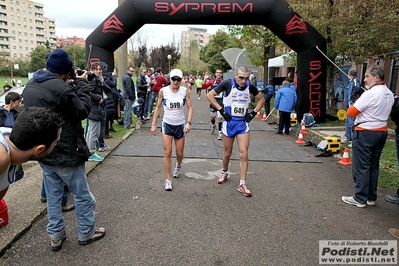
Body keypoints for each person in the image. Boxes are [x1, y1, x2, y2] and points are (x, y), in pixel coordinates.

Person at [22, 48, 105, 251]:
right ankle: (86, 231)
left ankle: (56, 235)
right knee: (81, 194)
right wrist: (83, 84)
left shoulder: (31, 85)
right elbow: (82, 110)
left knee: (53, 196)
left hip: (43, 150)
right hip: (66, 149)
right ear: (64, 71)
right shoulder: (62, 89)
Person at [206, 66, 265, 197]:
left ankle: (242, 183)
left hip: (242, 124)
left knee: (243, 153)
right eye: (241, 78)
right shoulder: (228, 83)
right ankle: (225, 171)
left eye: (246, 78)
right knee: (227, 152)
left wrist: (253, 113)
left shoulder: (250, 86)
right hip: (229, 123)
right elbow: (210, 96)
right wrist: (221, 110)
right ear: (236, 76)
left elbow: (261, 99)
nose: (244, 81)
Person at [341, 65, 394, 208]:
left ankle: (360, 198)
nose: (364, 79)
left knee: (361, 165)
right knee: (373, 165)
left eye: (367, 76)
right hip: (381, 131)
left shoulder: (370, 93)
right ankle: (371, 197)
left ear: (376, 78)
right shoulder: (389, 93)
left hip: (366, 131)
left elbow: (352, 112)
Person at [0, 107, 63, 201]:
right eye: (55, 143)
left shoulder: (16, 146)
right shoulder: (2, 158)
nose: (55, 146)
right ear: (39, 149)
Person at [151, 68, 193, 191]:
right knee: (167, 152)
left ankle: (178, 166)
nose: (175, 82)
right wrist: (153, 124)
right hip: (167, 124)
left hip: (180, 125)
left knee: (179, 153)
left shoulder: (185, 91)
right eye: (173, 79)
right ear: (170, 79)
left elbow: (190, 108)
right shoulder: (163, 91)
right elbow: (158, 107)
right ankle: (168, 179)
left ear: (181, 80)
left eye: (178, 79)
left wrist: (188, 123)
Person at [0, 92, 24, 182]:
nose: (19, 104)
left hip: (13, 144)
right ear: (11, 102)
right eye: (18, 101)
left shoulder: (16, 114)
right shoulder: (0, 113)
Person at [85, 62, 107, 162]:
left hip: (95, 108)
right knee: (93, 132)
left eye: (100, 69)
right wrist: (98, 98)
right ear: (92, 70)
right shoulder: (93, 80)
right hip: (94, 108)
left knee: (92, 131)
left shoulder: (98, 80)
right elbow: (89, 92)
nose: (99, 71)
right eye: (96, 69)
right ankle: (91, 152)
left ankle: (89, 151)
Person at [202, 69, 224, 138]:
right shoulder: (212, 82)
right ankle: (213, 125)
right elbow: (203, 87)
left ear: (222, 74)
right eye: (217, 73)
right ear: (215, 74)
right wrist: (205, 79)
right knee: (212, 118)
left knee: (220, 118)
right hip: (213, 102)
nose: (219, 74)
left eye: (220, 73)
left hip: (221, 103)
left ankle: (220, 132)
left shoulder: (224, 82)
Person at [343, 68, 362, 146]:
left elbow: (357, 87)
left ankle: (353, 140)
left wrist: (353, 95)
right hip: (348, 105)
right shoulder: (350, 82)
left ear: (349, 73)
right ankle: (348, 137)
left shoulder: (355, 80)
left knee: (352, 122)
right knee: (347, 122)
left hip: (352, 104)